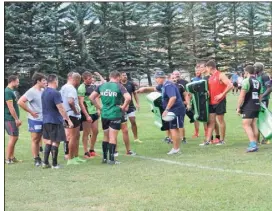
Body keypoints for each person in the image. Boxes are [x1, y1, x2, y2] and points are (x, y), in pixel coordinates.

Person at [137, 70, 186, 155]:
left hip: (175, 110)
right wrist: (144, 89)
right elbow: (154, 88)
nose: (156, 80)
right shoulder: (163, 85)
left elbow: (173, 98)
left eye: (156, 78)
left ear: (161, 78)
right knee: (174, 129)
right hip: (173, 109)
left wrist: (166, 110)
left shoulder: (168, 85)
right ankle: (176, 148)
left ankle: (176, 149)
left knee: (174, 129)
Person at [89, 71, 131, 165]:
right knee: (113, 137)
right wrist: (123, 107)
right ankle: (112, 159)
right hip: (115, 114)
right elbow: (128, 98)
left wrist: (99, 107)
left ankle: (104, 158)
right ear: (118, 77)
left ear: (110, 77)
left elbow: (91, 97)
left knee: (105, 136)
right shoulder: (119, 86)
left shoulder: (102, 86)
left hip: (105, 115)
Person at [41, 74, 74, 169]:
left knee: (48, 141)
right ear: (55, 81)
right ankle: (54, 164)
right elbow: (60, 108)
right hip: (55, 120)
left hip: (46, 120)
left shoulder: (44, 92)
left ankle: (45, 163)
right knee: (56, 141)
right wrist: (68, 120)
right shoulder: (55, 93)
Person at [200, 60, 233, 146]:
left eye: (206, 67)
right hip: (211, 102)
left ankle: (222, 140)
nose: (206, 69)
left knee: (220, 120)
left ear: (210, 67)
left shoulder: (220, 75)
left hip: (220, 101)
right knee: (211, 122)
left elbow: (230, 85)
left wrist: (222, 94)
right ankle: (207, 141)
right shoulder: (210, 77)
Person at [18, 72, 47, 166]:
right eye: (43, 80)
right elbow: (20, 102)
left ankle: (43, 158)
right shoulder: (31, 91)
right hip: (35, 119)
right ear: (38, 81)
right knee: (35, 139)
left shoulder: (43, 90)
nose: (45, 82)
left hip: (45, 118)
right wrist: (31, 112)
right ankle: (36, 158)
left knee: (41, 139)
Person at [61, 72, 86, 165]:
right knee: (72, 137)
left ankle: (76, 156)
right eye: (78, 81)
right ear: (75, 79)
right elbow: (71, 101)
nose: (78, 83)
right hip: (71, 114)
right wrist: (75, 111)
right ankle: (71, 158)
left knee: (76, 136)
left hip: (68, 114)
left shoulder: (63, 87)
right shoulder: (71, 88)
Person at [237, 65, 261, 152]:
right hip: (256, 104)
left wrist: (238, 107)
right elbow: (260, 95)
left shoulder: (246, 81)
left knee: (246, 124)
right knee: (253, 124)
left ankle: (253, 144)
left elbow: (242, 95)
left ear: (246, 72)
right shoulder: (258, 81)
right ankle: (255, 142)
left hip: (249, 105)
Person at [78, 71, 100, 159]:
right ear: (84, 79)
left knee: (95, 131)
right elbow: (81, 103)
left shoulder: (93, 86)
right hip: (87, 113)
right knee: (86, 133)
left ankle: (92, 150)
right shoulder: (81, 88)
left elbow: (96, 98)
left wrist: (98, 108)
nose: (91, 80)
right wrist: (86, 115)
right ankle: (86, 152)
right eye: (89, 79)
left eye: (91, 78)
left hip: (94, 112)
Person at [5, 75, 22, 164]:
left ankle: (12, 157)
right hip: (10, 119)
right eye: (17, 81)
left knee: (15, 138)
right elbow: (11, 107)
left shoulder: (12, 91)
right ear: (12, 81)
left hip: (12, 119)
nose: (18, 83)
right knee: (13, 137)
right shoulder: (7, 92)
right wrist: (16, 119)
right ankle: (7, 159)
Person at [120, 72, 142, 143]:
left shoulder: (130, 84)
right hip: (122, 107)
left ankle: (136, 138)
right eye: (123, 75)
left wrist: (137, 103)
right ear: (120, 77)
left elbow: (135, 94)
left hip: (131, 106)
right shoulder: (118, 85)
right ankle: (125, 138)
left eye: (125, 75)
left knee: (133, 122)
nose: (125, 76)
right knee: (123, 124)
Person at [172, 70, 192, 143]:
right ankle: (172, 138)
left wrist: (188, 103)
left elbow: (186, 94)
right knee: (172, 123)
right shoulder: (167, 86)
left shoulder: (180, 86)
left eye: (176, 77)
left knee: (180, 123)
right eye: (173, 77)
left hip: (180, 106)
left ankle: (183, 138)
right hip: (171, 107)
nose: (174, 79)